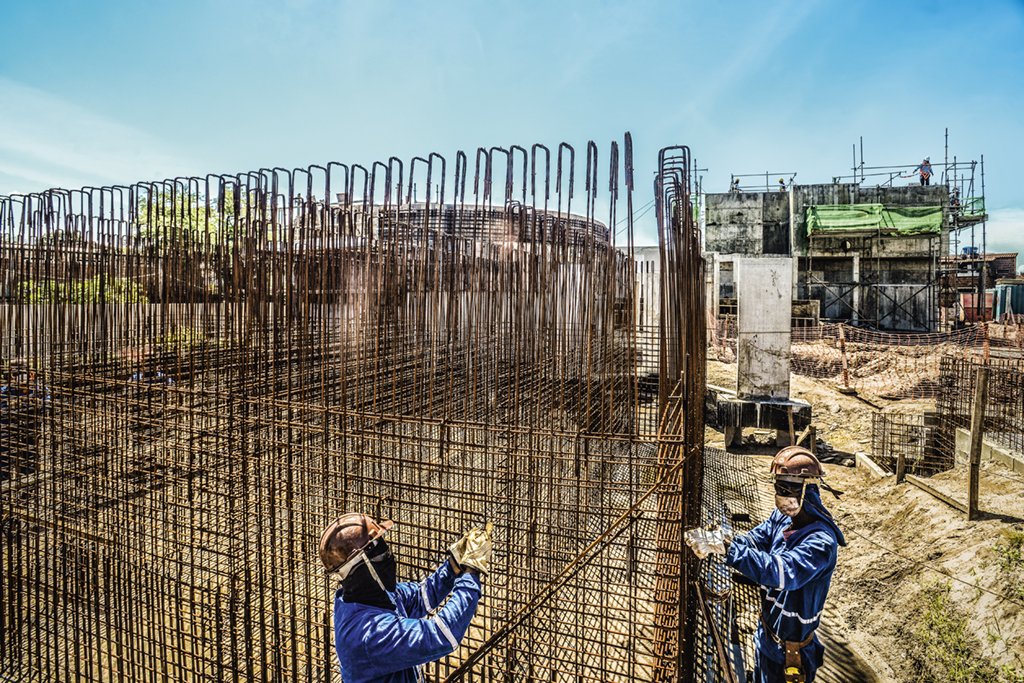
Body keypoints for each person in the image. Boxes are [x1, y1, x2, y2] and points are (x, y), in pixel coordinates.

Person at [320, 513, 491, 683]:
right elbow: (441, 636)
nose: (388, 556)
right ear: (360, 566)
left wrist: (454, 563)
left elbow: (421, 596)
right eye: (380, 553)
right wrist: (471, 572)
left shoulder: (371, 596)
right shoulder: (369, 634)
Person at [725, 447, 846, 683]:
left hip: (791, 654)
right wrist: (725, 540)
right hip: (767, 639)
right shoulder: (784, 517)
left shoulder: (821, 543)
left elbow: (782, 572)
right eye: (778, 487)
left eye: (787, 488)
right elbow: (756, 538)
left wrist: (732, 552)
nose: (781, 495)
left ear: (808, 490)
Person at [0, 363, 50, 480]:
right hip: (8, 428)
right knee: (4, 457)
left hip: (31, 426)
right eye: (16, 375)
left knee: (30, 455)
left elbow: (47, 403)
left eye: (23, 374)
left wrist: (35, 403)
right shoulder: (5, 390)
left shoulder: (39, 389)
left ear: (31, 375)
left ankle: (29, 480)